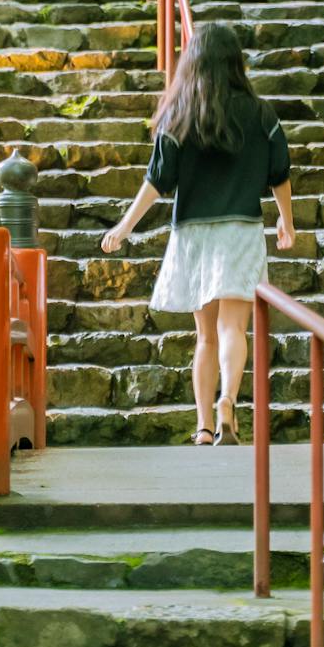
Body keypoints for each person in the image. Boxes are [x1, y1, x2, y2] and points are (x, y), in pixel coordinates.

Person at [101, 23, 294, 446]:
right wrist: (286, 221)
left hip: (193, 234)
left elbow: (157, 181)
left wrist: (124, 226)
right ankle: (228, 399)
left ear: (192, 62)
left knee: (204, 336)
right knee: (232, 330)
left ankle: (204, 427)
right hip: (240, 231)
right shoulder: (262, 114)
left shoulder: (178, 115)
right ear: (236, 63)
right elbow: (279, 172)